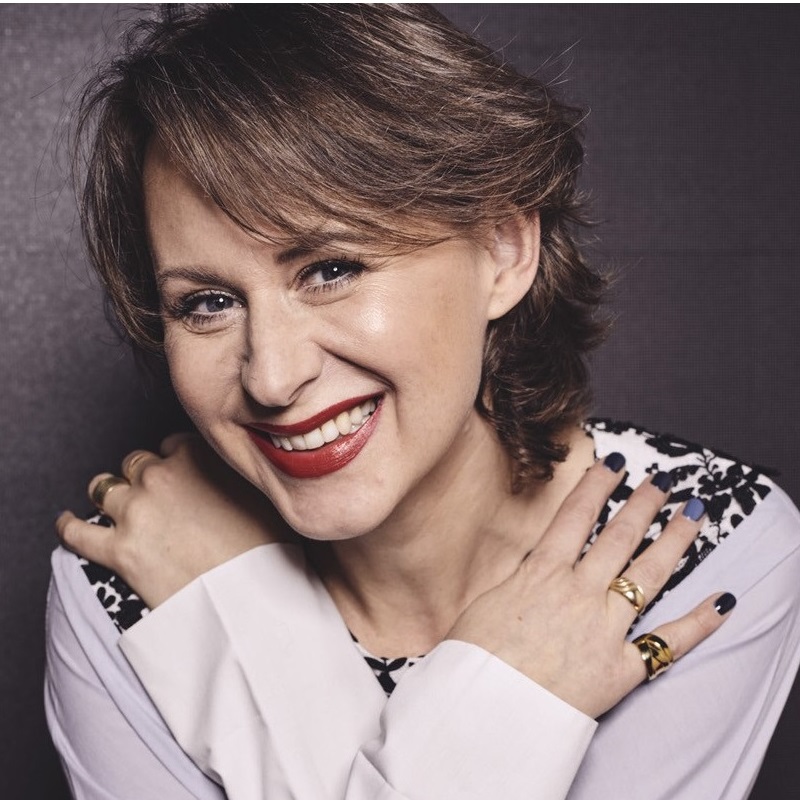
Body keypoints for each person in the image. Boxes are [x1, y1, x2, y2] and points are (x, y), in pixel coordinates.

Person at [45, 5, 800, 799]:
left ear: (502, 251)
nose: (271, 376)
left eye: (330, 269)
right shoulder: (127, 582)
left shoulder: (702, 553)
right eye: (207, 303)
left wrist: (244, 628)